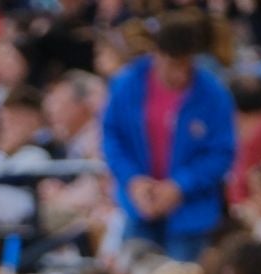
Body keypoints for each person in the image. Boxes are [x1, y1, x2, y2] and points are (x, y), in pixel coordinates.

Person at [100, 8, 236, 261]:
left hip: (192, 213)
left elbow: (221, 152)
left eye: (187, 64)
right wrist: (133, 180)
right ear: (156, 55)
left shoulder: (213, 93)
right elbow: (112, 138)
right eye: (173, 64)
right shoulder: (127, 85)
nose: (181, 74)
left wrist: (179, 186)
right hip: (139, 205)